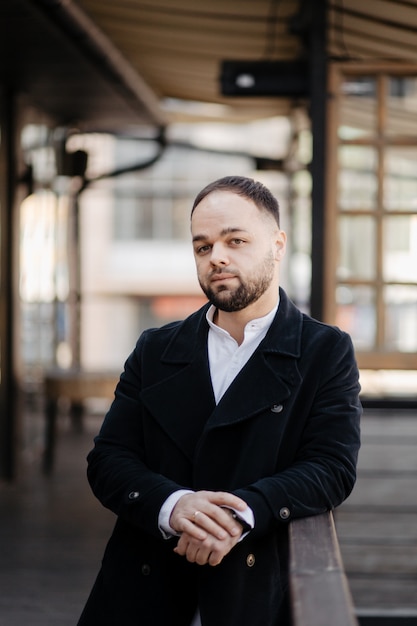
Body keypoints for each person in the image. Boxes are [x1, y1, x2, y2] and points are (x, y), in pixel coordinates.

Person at [77, 175, 361, 626]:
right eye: (203, 246)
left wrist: (239, 513)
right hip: (144, 583)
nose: (218, 257)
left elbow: (331, 468)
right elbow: (109, 458)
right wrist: (174, 507)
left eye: (236, 240)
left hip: (254, 585)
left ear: (277, 244)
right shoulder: (155, 347)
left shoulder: (324, 350)